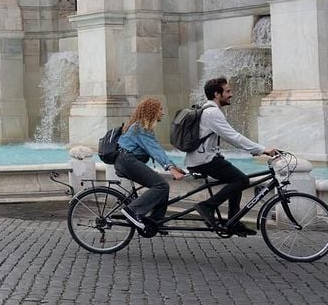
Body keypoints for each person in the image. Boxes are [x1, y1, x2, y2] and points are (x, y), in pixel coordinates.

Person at [185, 77, 277, 236]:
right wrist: (262, 149)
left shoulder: (208, 109)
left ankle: (233, 221)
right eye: (227, 91)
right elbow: (233, 137)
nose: (231, 94)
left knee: (237, 178)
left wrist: (255, 150)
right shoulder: (213, 112)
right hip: (204, 160)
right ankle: (207, 206)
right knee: (241, 180)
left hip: (202, 157)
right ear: (217, 94)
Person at [114, 98, 186, 230]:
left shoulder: (140, 126)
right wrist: (170, 168)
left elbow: (156, 149)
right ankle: (132, 210)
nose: (163, 113)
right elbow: (155, 150)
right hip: (127, 161)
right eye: (160, 109)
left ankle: (156, 222)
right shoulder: (140, 127)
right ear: (152, 111)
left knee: (163, 187)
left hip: (125, 161)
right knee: (161, 185)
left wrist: (174, 166)